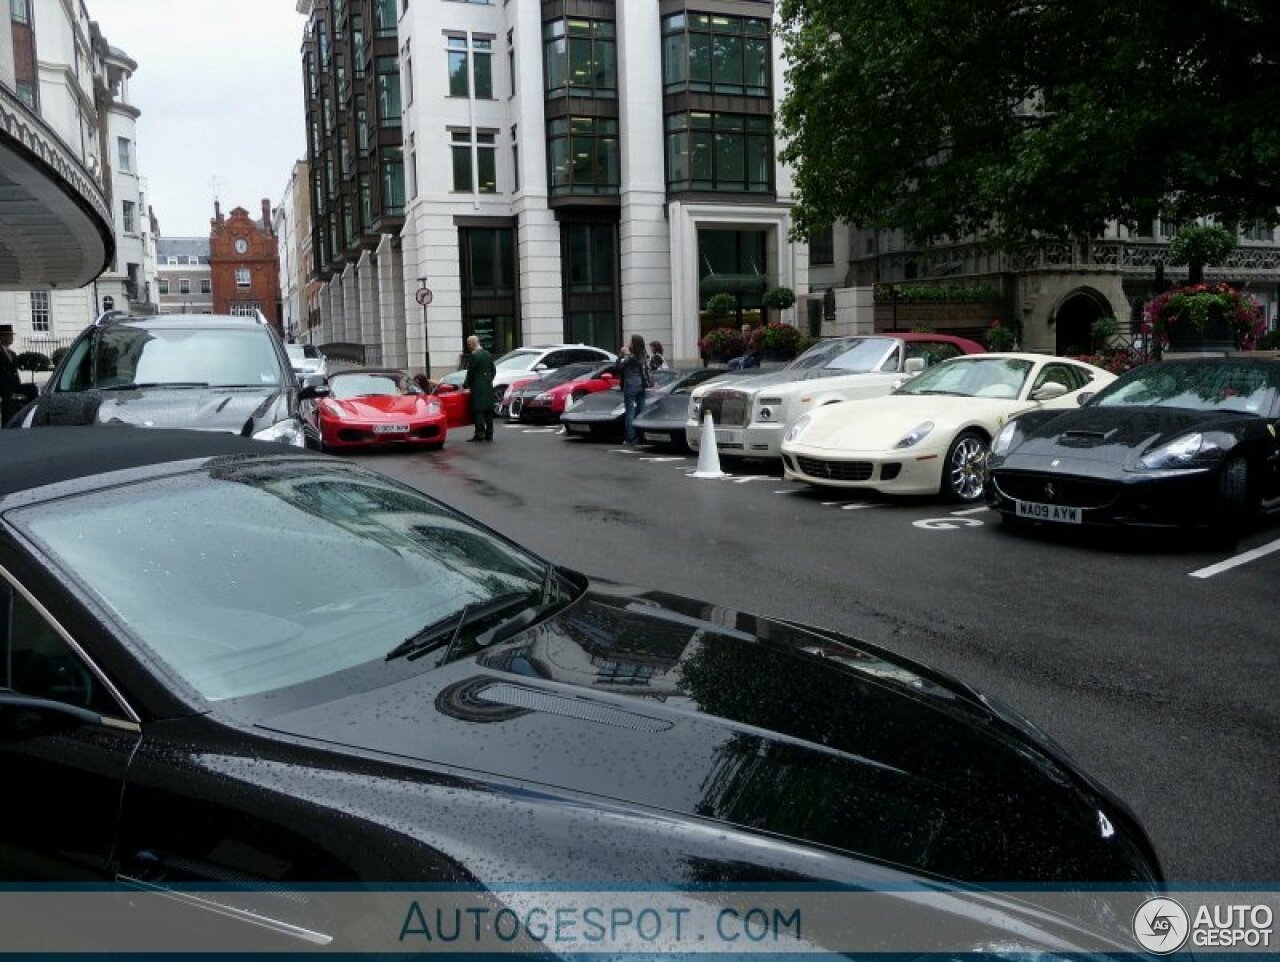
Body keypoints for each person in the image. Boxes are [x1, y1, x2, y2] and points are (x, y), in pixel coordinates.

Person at [616, 333, 650, 444]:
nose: (629, 343)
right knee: (641, 410)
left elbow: (619, 366)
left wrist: (622, 355)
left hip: (630, 386)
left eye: (631, 341)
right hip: (641, 385)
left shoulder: (631, 357)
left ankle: (631, 438)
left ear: (634, 343)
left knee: (630, 412)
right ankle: (643, 435)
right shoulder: (643, 354)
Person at [462, 335, 496, 441]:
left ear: (473, 343)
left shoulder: (475, 356)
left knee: (479, 411)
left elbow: (470, 372)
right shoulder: (487, 354)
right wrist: (488, 380)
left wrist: (465, 385)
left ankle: (479, 434)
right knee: (488, 411)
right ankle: (489, 434)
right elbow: (493, 370)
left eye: (468, 344)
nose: (468, 346)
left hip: (477, 387)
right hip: (488, 386)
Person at [0, 324, 22, 426]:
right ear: (2, 337)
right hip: (3, 386)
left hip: (13, 385)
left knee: (32, 389)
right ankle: (7, 424)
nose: (12, 338)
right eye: (9, 336)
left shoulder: (12, 353)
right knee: (7, 402)